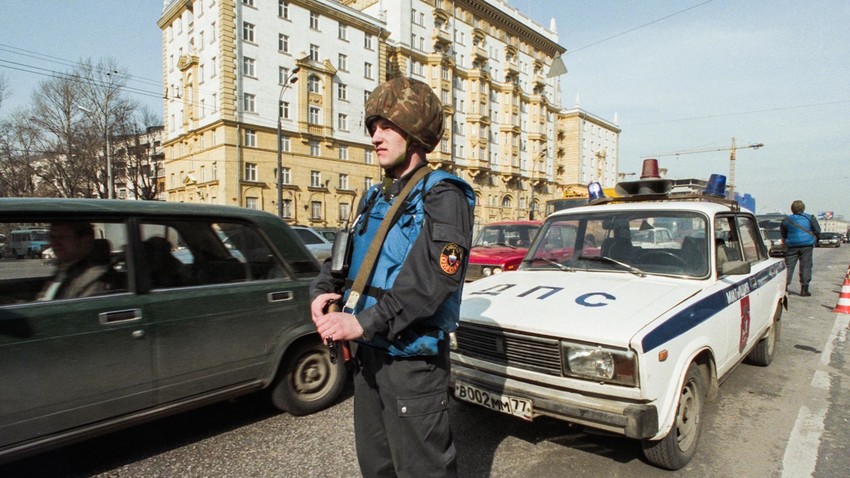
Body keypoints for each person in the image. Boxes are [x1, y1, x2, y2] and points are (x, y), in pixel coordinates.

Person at [310, 76, 475, 478]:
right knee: (377, 465)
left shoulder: (443, 195)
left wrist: (361, 321)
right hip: (370, 357)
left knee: (422, 470)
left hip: (411, 363)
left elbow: (434, 282)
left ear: (415, 131)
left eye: (386, 127)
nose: (375, 137)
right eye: (372, 128)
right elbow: (348, 260)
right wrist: (321, 290)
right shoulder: (373, 196)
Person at [38, 222, 117, 300]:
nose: (55, 243)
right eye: (52, 237)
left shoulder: (96, 276)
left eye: (62, 237)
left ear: (85, 241)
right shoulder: (63, 270)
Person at [780, 200, 820, 296]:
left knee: (789, 267)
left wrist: (786, 240)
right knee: (806, 266)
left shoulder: (787, 220)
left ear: (792, 209)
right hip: (807, 245)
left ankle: (784, 288)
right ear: (803, 208)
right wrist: (815, 239)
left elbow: (783, 232)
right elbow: (817, 230)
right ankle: (804, 289)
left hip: (792, 245)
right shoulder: (810, 218)